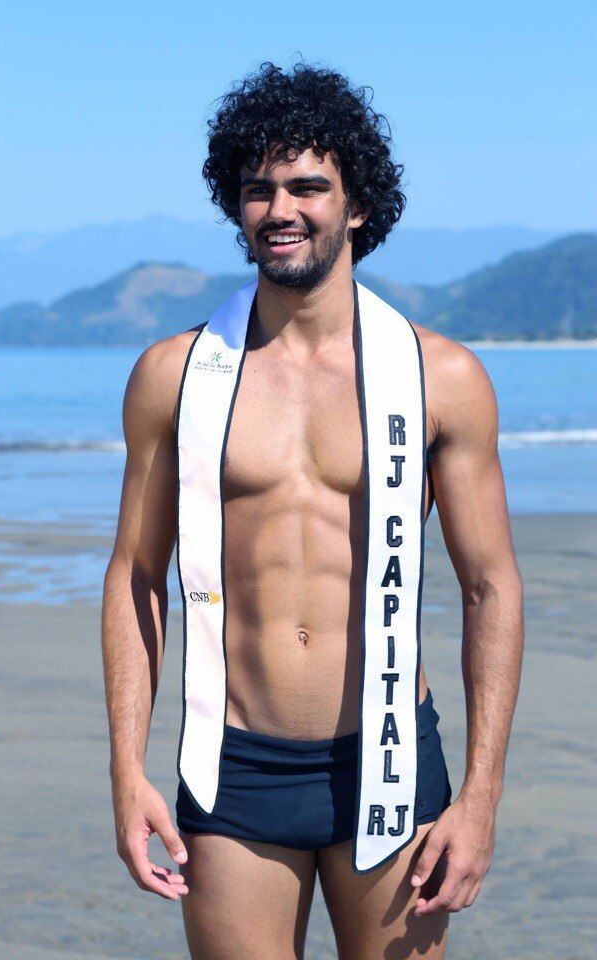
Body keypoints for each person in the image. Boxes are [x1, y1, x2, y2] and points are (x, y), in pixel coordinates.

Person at [101, 61, 524, 960]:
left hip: (388, 757)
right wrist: (125, 770)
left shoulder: (442, 378)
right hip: (234, 765)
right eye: (258, 189)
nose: (279, 209)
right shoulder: (173, 377)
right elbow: (136, 576)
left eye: (306, 187)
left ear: (357, 204)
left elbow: (490, 587)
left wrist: (480, 794)